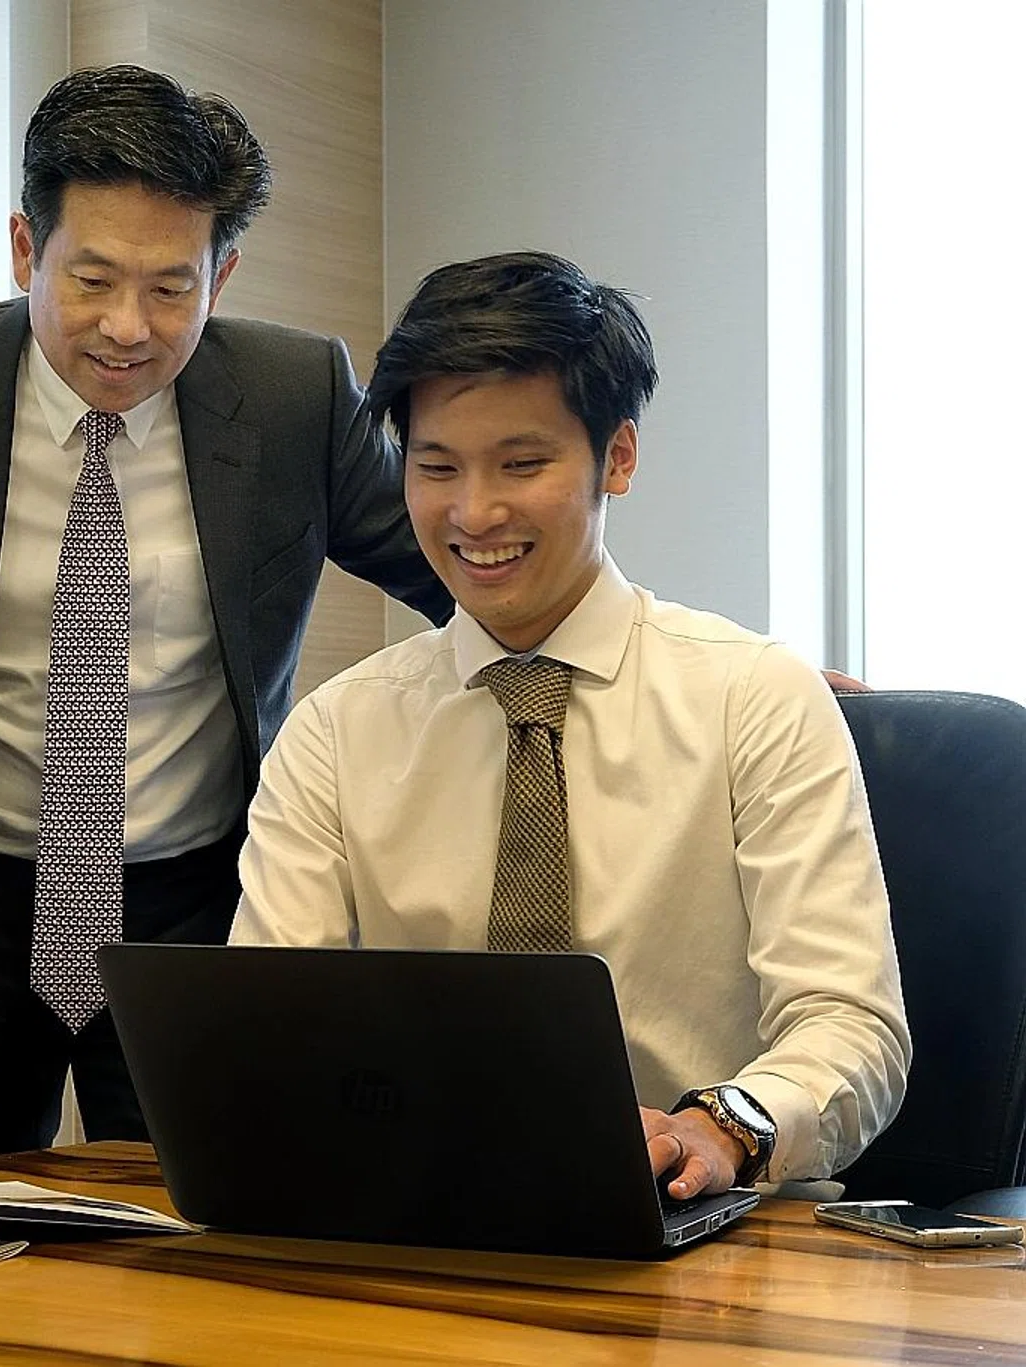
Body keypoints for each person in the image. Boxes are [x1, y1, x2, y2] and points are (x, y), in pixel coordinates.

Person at [0, 64, 451, 1155]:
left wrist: (672, 657)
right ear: (26, 249)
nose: (128, 327)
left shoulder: (298, 394)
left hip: (196, 898)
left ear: (224, 271)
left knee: (202, 1206)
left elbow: (464, 566)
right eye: (92, 278)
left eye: (171, 287)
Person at [229, 252, 909, 1197]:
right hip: (424, 1215)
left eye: (522, 463)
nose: (474, 512)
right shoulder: (336, 733)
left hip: (712, 1229)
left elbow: (850, 1021)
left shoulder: (756, 697)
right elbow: (267, 1031)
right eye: (436, 467)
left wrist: (723, 1128)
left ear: (617, 457)